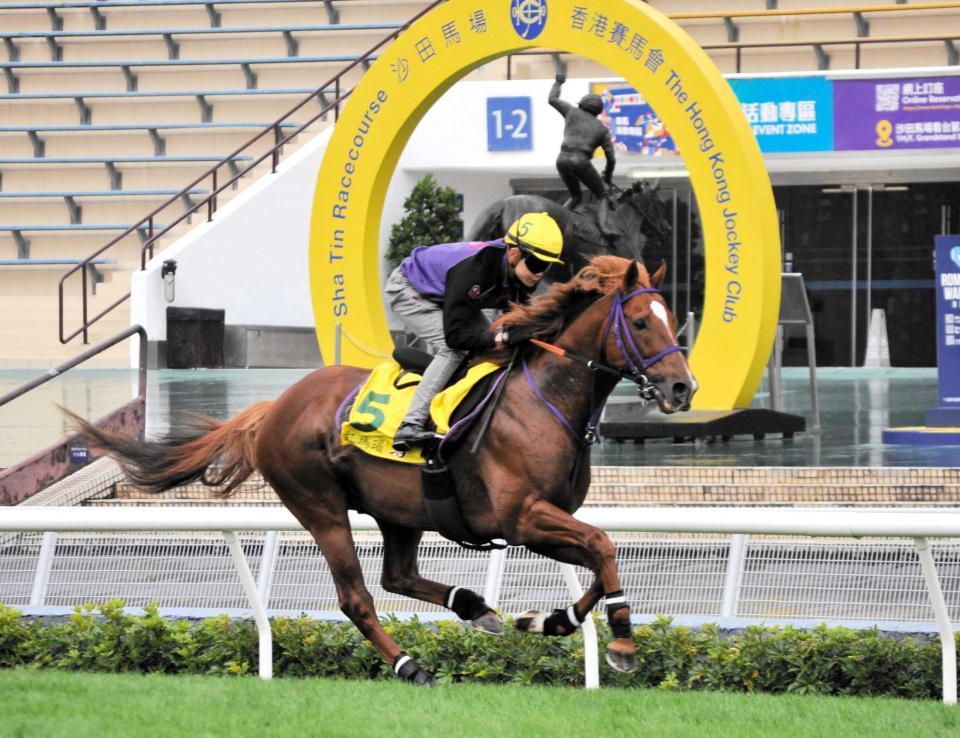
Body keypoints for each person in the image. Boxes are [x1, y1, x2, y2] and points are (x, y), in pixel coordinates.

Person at [385, 212, 564, 451]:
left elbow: (518, 321)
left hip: (447, 293)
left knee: (486, 345)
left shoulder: (520, 274)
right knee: (454, 350)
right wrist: (503, 337)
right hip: (410, 289)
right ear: (513, 253)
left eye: (547, 265)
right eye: (537, 263)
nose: (540, 272)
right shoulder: (476, 269)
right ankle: (410, 425)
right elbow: (456, 337)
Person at [549, 73, 618, 239]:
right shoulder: (602, 129)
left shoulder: (571, 112)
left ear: (583, 104)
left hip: (562, 159)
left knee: (576, 196)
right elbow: (611, 159)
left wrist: (558, 82)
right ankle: (604, 228)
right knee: (603, 194)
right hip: (580, 161)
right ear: (598, 111)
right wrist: (607, 177)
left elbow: (552, 99)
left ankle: (556, 223)